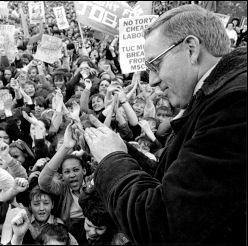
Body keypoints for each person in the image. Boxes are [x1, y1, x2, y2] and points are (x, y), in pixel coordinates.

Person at [83, 4, 246, 244]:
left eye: (155, 64)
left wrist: (112, 160)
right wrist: (125, 151)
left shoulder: (235, 106)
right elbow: (175, 181)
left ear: (191, 49)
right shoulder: (219, 98)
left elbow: (163, 224)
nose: (153, 80)